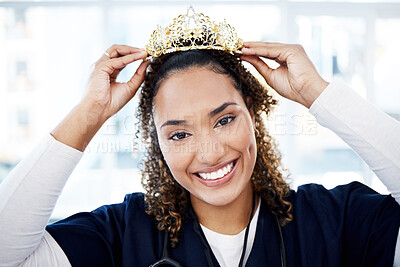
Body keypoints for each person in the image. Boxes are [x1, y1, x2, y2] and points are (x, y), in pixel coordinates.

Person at [1, 9, 400, 267]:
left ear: (254, 114)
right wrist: (88, 115)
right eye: (178, 133)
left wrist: (319, 94)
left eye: (224, 120)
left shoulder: (336, 219)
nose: (209, 151)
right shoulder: (122, 235)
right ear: (158, 145)